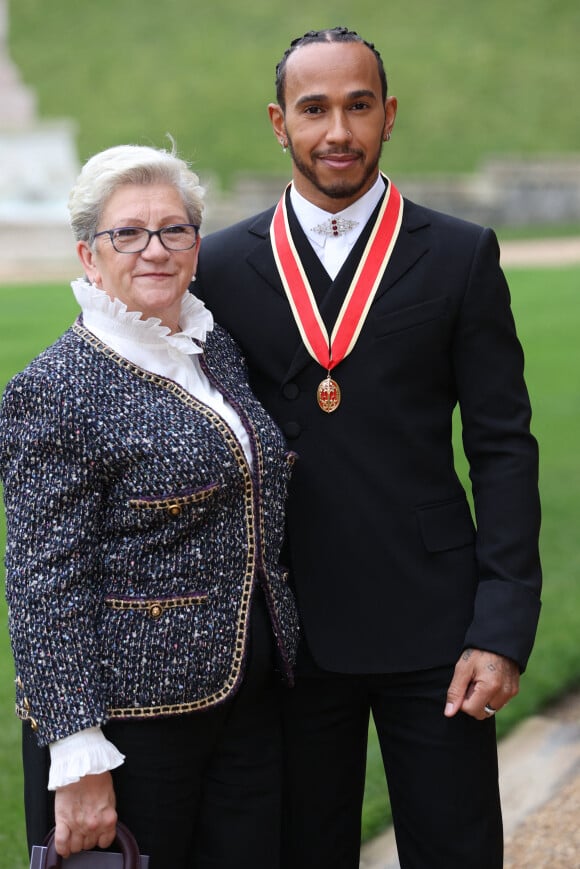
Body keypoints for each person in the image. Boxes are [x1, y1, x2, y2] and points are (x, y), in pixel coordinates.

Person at [194, 26, 542, 869]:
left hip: (439, 625)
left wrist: (500, 627)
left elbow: (502, 448)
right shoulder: (220, 265)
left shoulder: (460, 255)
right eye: (314, 109)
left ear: (389, 115)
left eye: (358, 106)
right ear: (280, 123)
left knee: (456, 851)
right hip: (289, 631)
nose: (338, 131)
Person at [0, 143, 300, 869]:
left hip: (248, 707)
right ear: (88, 254)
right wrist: (77, 757)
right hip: (135, 730)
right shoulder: (56, 388)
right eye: (127, 233)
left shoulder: (210, 346)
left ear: (197, 244)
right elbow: (43, 587)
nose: (154, 250)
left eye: (174, 230)